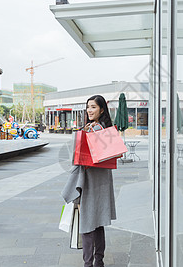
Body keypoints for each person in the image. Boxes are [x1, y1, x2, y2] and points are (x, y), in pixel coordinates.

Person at [62, 95, 116, 267]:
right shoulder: (105, 130)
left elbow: (78, 161)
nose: (89, 110)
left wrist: (76, 192)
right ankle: (98, 262)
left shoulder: (93, 130)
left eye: (93, 107)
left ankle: (88, 264)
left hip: (89, 182)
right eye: (88, 107)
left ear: (101, 109)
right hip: (101, 182)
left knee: (86, 224)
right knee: (98, 224)